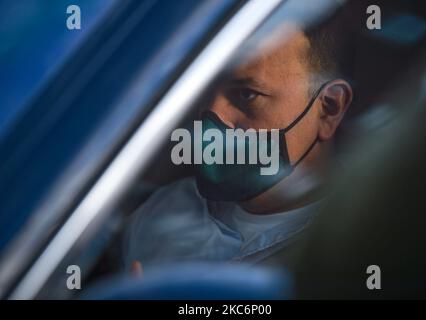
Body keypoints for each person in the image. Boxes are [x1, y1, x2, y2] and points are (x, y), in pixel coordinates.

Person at [123, 16, 354, 273]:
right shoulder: (163, 210)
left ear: (328, 109)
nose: (211, 113)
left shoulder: (366, 246)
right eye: (205, 91)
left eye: (247, 94)